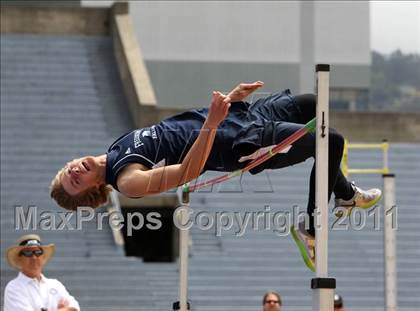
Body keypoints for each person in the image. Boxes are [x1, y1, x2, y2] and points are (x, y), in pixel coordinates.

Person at [50, 81, 382, 271]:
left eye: (69, 171)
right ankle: (310, 228)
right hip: (237, 143)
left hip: (239, 118)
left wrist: (230, 102)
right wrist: (212, 122)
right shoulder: (128, 181)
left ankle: (345, 194)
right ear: (93, 190)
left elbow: (179, 128)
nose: (75, 171)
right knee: (331, 140)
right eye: (76, 181)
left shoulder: (116, 145)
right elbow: (187, 171)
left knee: (314, 103)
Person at [4, 234, 80, 311]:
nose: (34, 257)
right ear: (19, 259)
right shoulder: (14, 288)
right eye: (28, 253)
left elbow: (75, 307)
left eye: (38, 252)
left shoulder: (55, 284)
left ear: (43, 257)